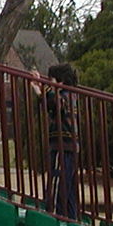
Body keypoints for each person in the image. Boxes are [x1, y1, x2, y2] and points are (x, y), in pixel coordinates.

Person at [42, 63, 80, 218]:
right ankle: (71, 218)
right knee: (68, 187)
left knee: (59, 183)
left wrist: (44, 89)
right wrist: (40, 91)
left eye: (52, 80)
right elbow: (49, 103)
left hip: (62, 145)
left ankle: (55, 215)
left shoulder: (66, 95)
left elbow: (56, 104)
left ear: (61, 81)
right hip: (69, 145)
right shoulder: (69, 94)